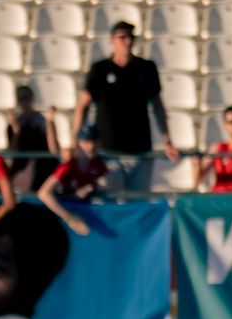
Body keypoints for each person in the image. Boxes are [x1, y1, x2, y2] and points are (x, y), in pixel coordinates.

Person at [74, 22, 179, 193]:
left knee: (137, 202)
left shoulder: (146, 68)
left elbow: (158, 107)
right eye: (122, 37)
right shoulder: (100, 69)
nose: (127, 42)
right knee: (110, 201)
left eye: (130, 37)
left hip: (140, 151)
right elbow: (82, 107)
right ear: (112, 40)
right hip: (108, 151)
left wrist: (167, 141)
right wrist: (76, 142)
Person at [37, 122, 108, 237]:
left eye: (94, 141)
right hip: (66, 223)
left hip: (91, 219)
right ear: (79, 143)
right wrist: (69, 218)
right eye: (86, 142)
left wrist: (91, 188)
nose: (91, 146)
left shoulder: (99, 165)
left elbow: (109, 192)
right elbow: (43, 193)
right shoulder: (69, 165)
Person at [6, 85, 60, 194]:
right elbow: (12, 153)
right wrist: (16, 132)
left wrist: (50, 123)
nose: (24, 102)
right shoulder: (14, 123)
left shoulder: (42, 121)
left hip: (43, 166)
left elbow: (54, 150)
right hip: (22, 169)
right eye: (20, 98)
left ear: (32, 99)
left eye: (27, 97)